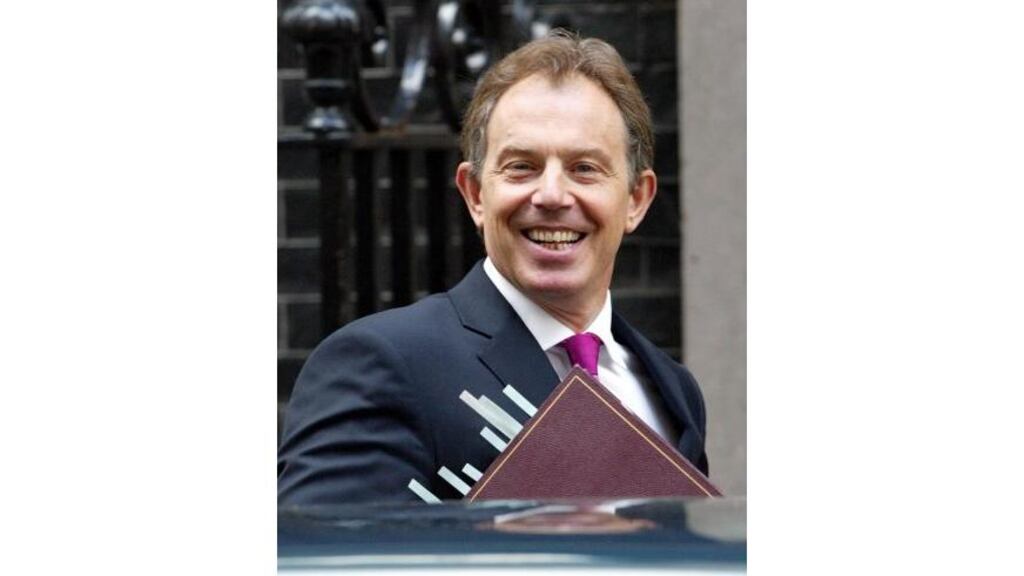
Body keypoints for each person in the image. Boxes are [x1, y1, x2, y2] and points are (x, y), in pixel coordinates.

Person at [278, 30, 709, 505]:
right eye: (522, 166)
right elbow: (332, 544)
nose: (551, 195)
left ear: (636, 199)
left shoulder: (674, 391)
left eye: (585, 168)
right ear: (475, 194)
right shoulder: (380, 365)